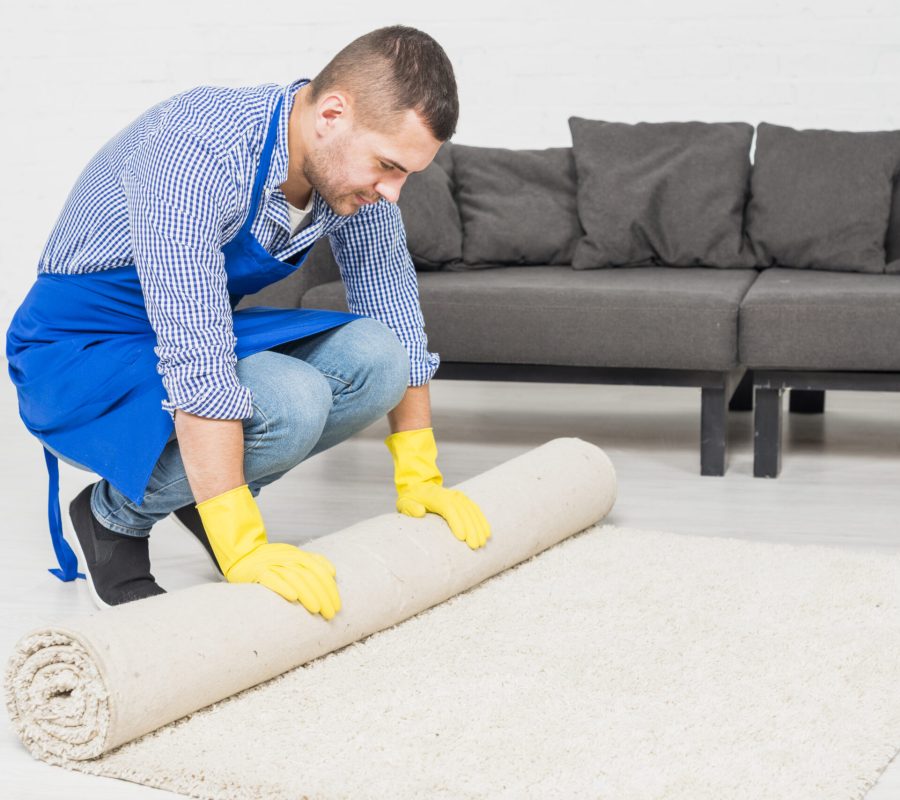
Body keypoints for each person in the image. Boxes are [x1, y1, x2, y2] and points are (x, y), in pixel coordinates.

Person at [6, 25, 491, 615]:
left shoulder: (346, 178)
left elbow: (394, 310)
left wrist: (422, 477)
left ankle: (202, 493)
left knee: (378, 357)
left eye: (406, 174)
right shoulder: (194, 152)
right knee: (291, 399)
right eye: (388, 165)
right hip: (78, 352)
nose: (392, 192)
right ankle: (113, 517)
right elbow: (197, 354)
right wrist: (244, 546)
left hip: (184, 325)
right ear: (332, 113)